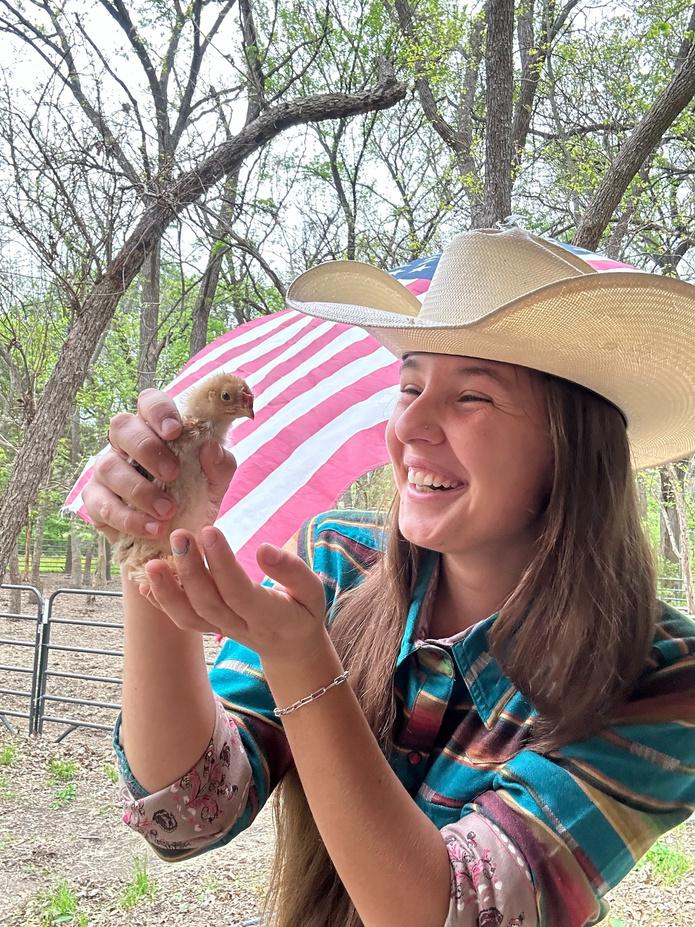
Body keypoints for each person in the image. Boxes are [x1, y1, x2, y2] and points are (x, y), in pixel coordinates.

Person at [83, 227, 695, 927]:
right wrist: (155, 541)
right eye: (409, 386)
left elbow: (452, 913)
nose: (409, 427)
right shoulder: (336, 560)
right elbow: (191, 814)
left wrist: (304, 666)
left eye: (472, 396)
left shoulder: (662, 675)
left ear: (570, 444)